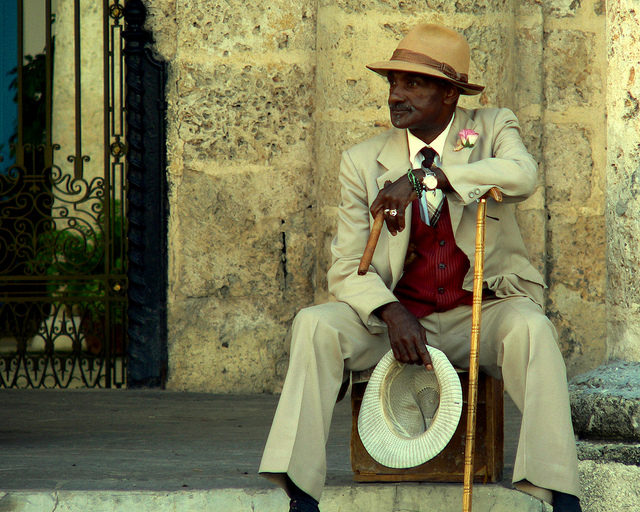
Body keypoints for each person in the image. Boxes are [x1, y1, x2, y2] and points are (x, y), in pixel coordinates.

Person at [259, 23, 582, 512]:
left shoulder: (491, 128)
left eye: (413, 83)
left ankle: (556, 492)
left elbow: (523, 175)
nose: (396, 95)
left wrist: (427, 177)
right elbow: (348, 267)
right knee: (314, 325)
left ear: (451, 94)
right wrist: (391, 314)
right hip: (397, 318)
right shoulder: (362, 161)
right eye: (393, 83)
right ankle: (301, 493)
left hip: (479, 311)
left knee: (534, 331)